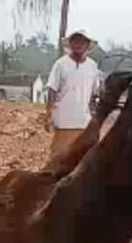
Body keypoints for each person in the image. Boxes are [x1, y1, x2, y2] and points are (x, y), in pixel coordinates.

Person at [44, 29, 103, 158]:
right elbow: (52, 90)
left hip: (84, 121)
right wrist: (49, 114)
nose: (78, 45)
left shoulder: (92, 66)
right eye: (75, 41)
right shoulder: (60, 64)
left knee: (82, 158)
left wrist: (95, 117)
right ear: (70, 44)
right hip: (63, 119)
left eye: (82, 42)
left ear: (87, 45)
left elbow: (94, 95)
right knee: (59, 158)